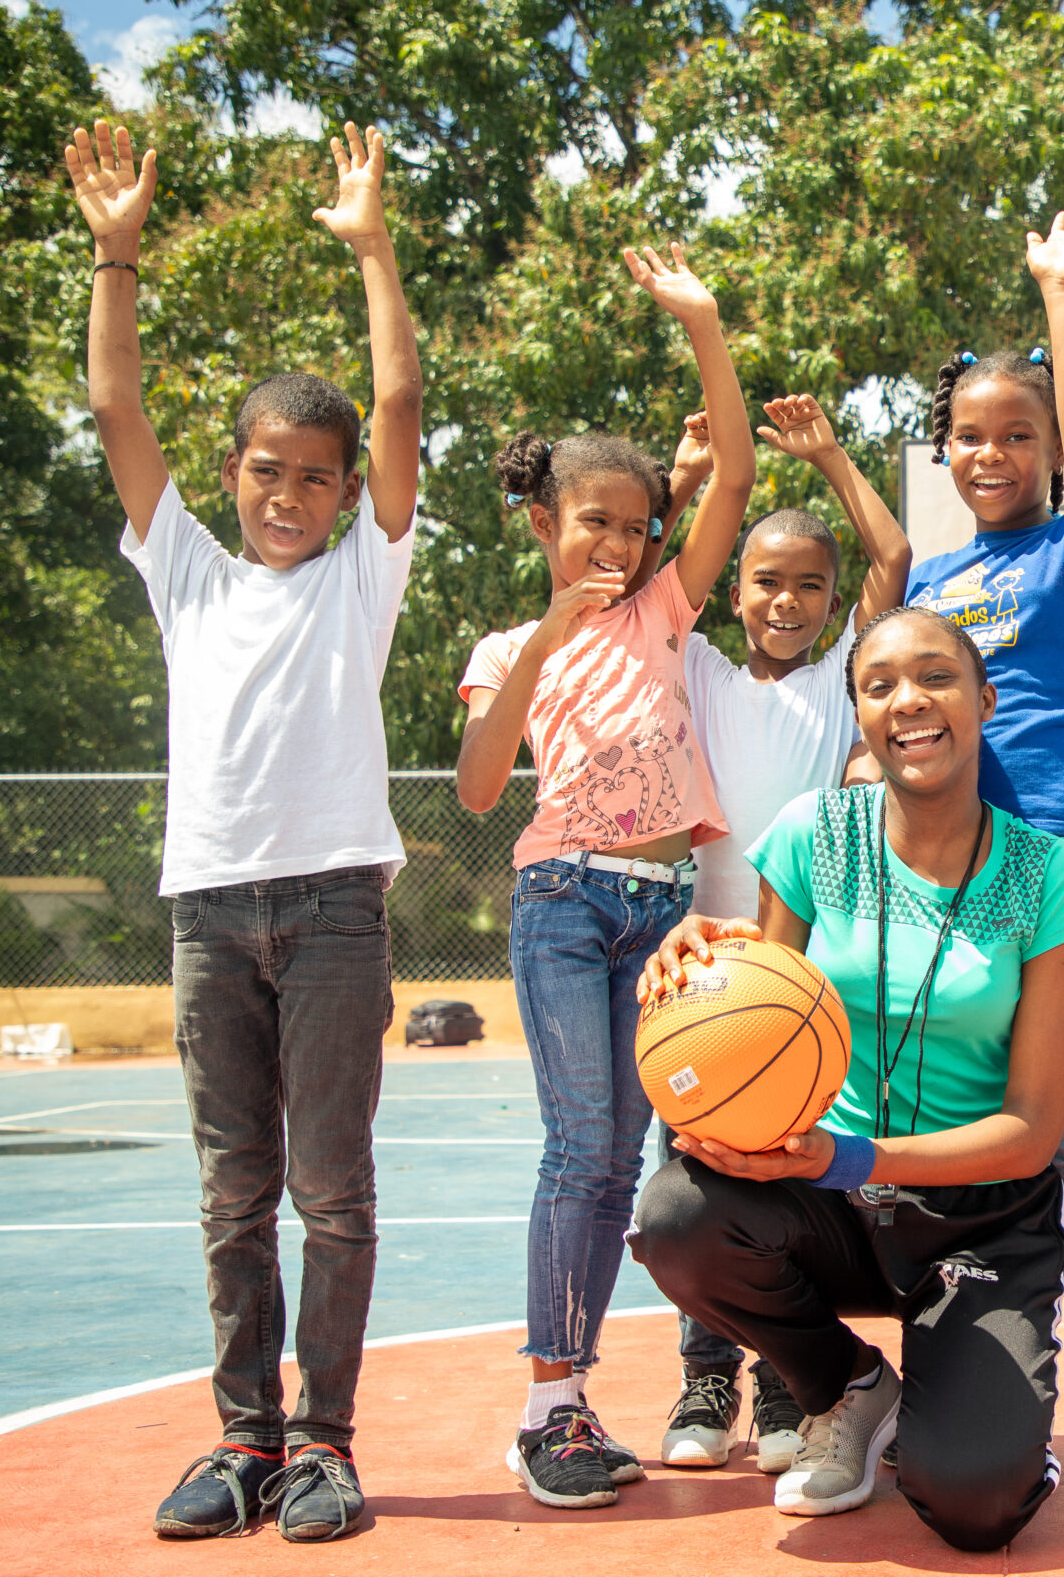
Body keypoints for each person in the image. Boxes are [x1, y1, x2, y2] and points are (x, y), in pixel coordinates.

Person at [69, 119, 421, 1542]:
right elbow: (115, 408)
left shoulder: (361, 579)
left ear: (346, 493)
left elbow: (398, 402)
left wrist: (373, 248)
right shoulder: (189, 576)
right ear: (233, 475)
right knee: (233, 1196)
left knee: (330, 1190)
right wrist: (116, 252)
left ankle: (324, 1441)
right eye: (268, 470)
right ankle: (241, 1439)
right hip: (210, 912)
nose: (291, 495)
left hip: (333, 908)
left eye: (317, 476)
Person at [629, 606, 1064, 1551]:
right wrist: (701, 968)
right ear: (859, 715)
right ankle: (847, 1385)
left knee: (977, 1505)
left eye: (936, 676)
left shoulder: (1051, 877)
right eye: (879, 685)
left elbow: (1031, 1132)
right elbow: (764, 1011)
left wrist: (851, 1157)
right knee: (678, 1214)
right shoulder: (813, 835)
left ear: (985, 700)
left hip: (975, 1217)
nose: (909, 701)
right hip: (832, 1206)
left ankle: (990, 1426)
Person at [452, 244, 756, 1511]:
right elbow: (479, 787)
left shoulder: (665, 611)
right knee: (582, 1146)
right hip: (564, 905)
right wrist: (547, 639)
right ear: (544, 523)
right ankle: (548, 1406)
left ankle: (583, 1398)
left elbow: (735, 471)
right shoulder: (507, 646)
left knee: (631, 1154)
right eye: (597, 523)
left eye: (637, 526)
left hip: (661, 913)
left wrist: (703, 322)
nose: (621, 544)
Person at [901, 212, 1064, 1490]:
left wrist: (1063, 291)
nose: (992, 452)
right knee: (958, 1114)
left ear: (1050, 449)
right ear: (943, 452)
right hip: (939, 873)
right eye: (970, 435)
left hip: (1051, 868)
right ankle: (958, 1362)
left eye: (1018, 434)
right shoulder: (931, 579)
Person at [658, 393, 912, 1471]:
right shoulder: (702, 669)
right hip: (703, 967)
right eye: (766, 580)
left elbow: (893, 557)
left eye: (810, 584)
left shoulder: (842, 681)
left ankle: (778, 1381)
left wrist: (833, 457)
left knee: (778, 1174)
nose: (788, 600)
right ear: (734, 594)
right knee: (688, 1170)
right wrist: (681, 484)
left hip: (796, 977)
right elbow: (651, 584)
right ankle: (703, 1379)